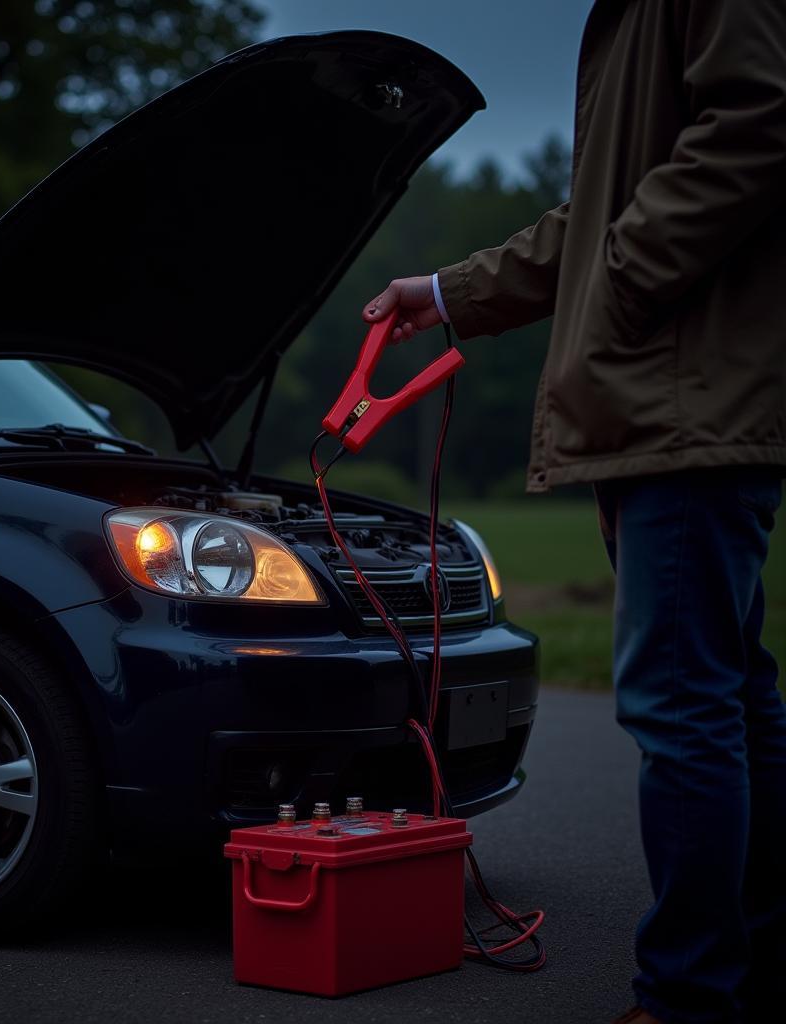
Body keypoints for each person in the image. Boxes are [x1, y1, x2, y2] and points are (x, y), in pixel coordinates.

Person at [362, 2, 786, 1022]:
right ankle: (751, 964)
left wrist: (623, 282)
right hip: (681, 394)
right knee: (729, 694)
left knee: (682, 702)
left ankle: (691, 993)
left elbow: (760, 124)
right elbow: (593, 225)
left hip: (683, 398)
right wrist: (450, 289)